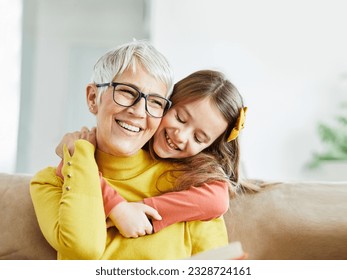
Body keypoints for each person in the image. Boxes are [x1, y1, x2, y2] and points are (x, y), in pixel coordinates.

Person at [30, 40, 230, 259]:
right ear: (92, 98)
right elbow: (83, 247)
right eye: (126, 91)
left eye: (155, 102)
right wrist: (82, 156)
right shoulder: (49, 182)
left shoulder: (187, 185)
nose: (138, 111)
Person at [78, 69, 248, 237]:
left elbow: (217, 201)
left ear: (209, 147)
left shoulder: (195, 172)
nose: (180, 136)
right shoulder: (130, 137)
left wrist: (136, 210)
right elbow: (78, 169)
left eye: (198, 138)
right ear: (165, 102)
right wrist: (74, 150)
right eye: (180, 118)